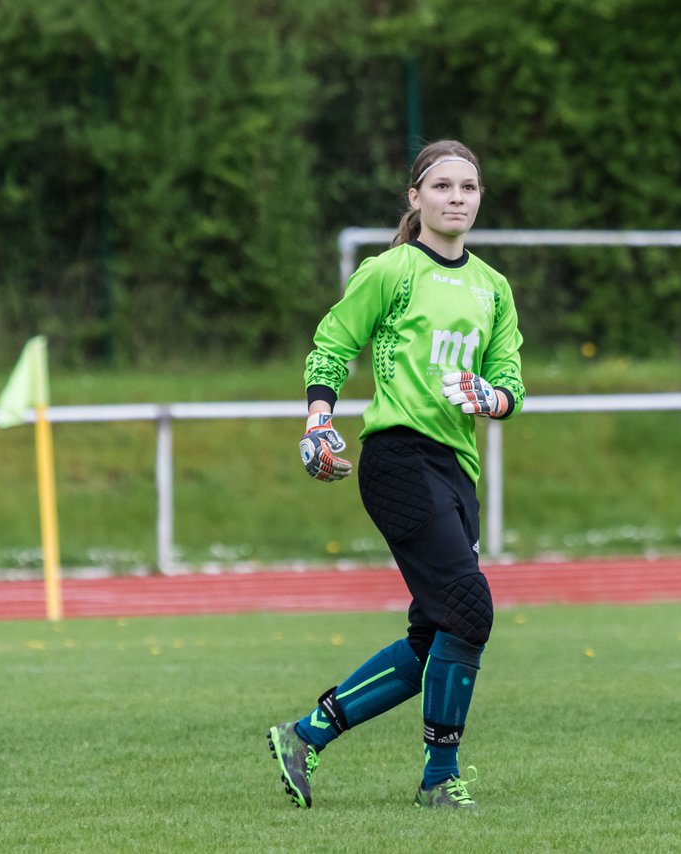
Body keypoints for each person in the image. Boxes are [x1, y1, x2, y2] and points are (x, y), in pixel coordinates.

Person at [266, 140, 525, 812]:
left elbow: (511, 385)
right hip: (397, 459)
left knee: (436, 630)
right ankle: (441, 776)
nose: (457, 198)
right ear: (416, 198)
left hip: (456, 470)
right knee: (471, 608)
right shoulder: (393, 271)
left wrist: (488, 397)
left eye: (469, 187)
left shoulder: (493, 287)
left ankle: (305, 734)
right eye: (442, 187)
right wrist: (318, 422)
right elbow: (333, 344)